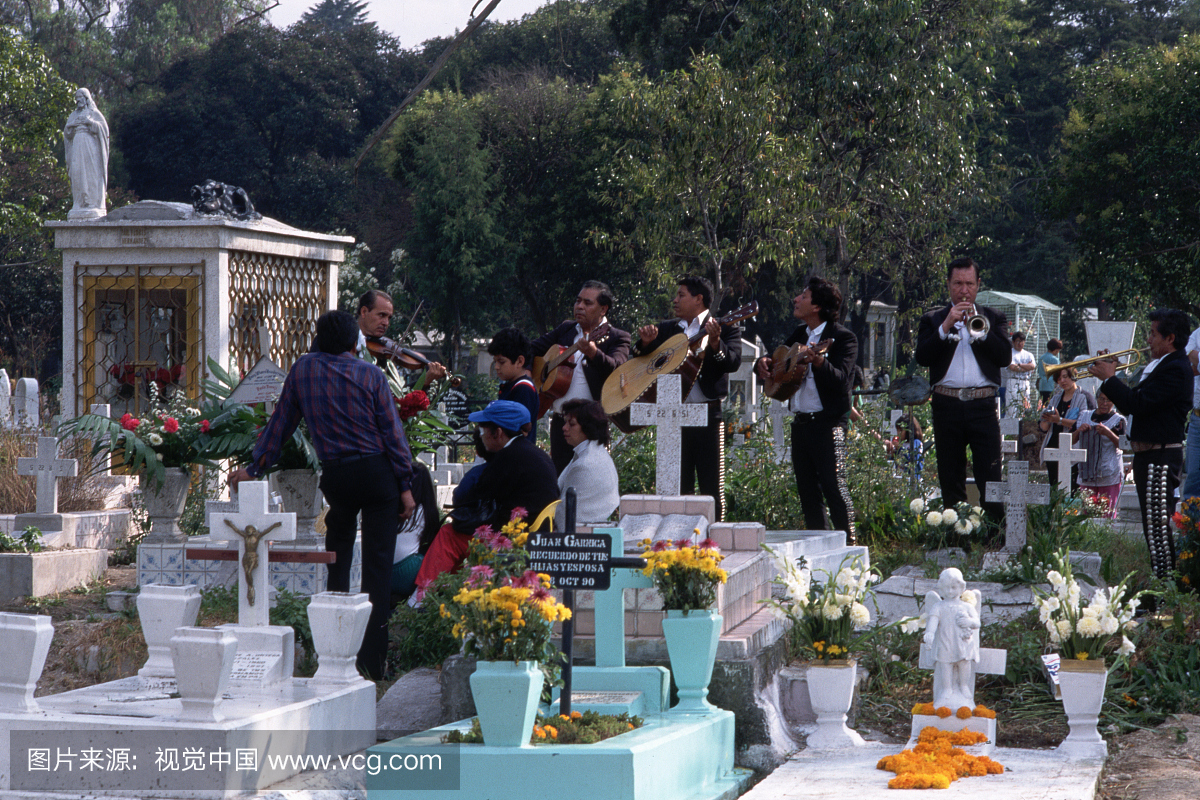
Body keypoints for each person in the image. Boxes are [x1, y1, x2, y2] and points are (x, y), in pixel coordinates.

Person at [229, 310, 415, 680]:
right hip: (378, 475)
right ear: (352, 342)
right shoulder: (371, 375)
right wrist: (406, 487)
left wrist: (254, 468)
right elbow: (393, 435)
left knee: (338, 562)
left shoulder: (303, 370)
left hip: (338, 476)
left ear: (318, 338)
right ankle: (371, 665)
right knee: (377, 571)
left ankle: (333, 655)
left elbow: (281, 423)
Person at [1092, 309, 1194, 576]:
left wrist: (1110, 379)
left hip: (1159, 458)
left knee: (1158, 532)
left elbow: (1137, 404)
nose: (1148, 340)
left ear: (1170, 338)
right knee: (1153, 531)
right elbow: (1134, 398)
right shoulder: (1162, 366)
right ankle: (1160, 592)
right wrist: (1112, 376)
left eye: (1152, 334)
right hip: (1149, 457)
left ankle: (1164, 596)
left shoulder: (1176, 369)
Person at [413, 400, 559, 586]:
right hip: (536, 536)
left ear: (497, 433)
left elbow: (469, 498)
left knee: (449, 534)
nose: (480, 436)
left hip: (514, 542)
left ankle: (421, 597)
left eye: (482, 430)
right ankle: (447, 591)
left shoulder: (506, 458)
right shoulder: (536, 454)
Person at [755, 276, 857, 540]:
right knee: (808, 491)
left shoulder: (843, 338)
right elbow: (775, 360)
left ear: (817, 306)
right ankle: (818, 548)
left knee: (835, 487)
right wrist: (762, 363)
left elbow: (843, 381)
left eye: (803, 295)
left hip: (830, 424)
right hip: (801, 424)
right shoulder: (800, 335)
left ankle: (851, 548)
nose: (796, 299)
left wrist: (820, 363)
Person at [634, 276, 742, 520]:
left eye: (681, 295)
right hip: (672, 417)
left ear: (698, 299)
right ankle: (676, 536)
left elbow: (732, 362)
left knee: (711, 485)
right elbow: (639, 358)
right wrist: (646, 343)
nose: (675, 300)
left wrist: (715, 342)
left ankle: (712, 540)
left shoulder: (725, 328)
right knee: (677, 485)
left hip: (707, 415)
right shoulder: (667, 329)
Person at [915, 257, 1012, 516]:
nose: (964, 290)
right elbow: (922, 357)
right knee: (950, 473)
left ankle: (995, 535)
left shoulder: (994, 317)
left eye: (969, 283)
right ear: (948, 285)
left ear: (978, 285)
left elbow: (1004, 358)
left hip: (983, 404)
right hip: (946, 404)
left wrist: (979, 330)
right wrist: (946, 326)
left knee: (990, 474)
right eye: (958, 283)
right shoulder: (932, 319)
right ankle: (956, 537)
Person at [530, 281, 631, 474]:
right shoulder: (566, 329)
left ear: (603, 309)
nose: (580, 306)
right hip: (561, 421)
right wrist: (529, 372)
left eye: (587, 302)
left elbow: (617, 368)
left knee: (590, 477)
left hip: (591, 424)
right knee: (560, 480)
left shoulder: (617, 337)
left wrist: (594, 354)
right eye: (578, 301)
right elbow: (532, 349)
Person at [355, 290, 447, 384]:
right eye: (381, 315)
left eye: (389, 318)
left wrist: (425, 382)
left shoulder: (383, 355)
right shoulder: (346, 342)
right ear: (364, 312)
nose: (386, 323)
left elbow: (396, 396)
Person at [555, 399, 620, 529]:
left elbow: (565, 517)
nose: (564, 427)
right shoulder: (593, 452)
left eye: (571, 424)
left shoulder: (586, 464)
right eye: (565, 422)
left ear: (587, 427)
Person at [924, 568, 982, 711]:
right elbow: (932, 621)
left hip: (962, 643)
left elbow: (977, 622)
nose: (950, 591)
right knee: (945, 665)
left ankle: (963, 685)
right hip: (945, 642)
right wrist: (930, 633)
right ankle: (947, 689)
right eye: (946, 588)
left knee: (964, 664)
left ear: (962, 587)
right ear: (941, 589)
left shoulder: (967, 606)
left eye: (953, 587)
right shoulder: (938, 606)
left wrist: (969, 622)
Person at [1038, 366, 1096, 493]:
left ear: (1073, 377)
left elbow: (1084, 422)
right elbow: (1043, 428)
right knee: (1054, 488)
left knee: (1072, 489)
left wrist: (1059, 420)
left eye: (1065, 377)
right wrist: (1046, 419)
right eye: (1059, 379)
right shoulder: (1055, 398)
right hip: (1053, 447)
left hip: (1073, 448)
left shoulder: (1084, 397)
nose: (1062, 381)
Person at [391, 463, 441, 600]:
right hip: (407, 573)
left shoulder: (393, 508)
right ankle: (419, 600)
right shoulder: (425, 511)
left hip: (385, 572)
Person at [1074, 390, 1127, 518]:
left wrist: (1108, 433)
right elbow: (1071, 440)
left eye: (1108, 400)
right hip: (1087, 471)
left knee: (1107, 513)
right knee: (1086, 513)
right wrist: (1079, 431)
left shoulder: (1119, 420)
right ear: (1096, 399)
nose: (1104, 403)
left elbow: (1124, 445)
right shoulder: (1084, 416)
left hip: (1109, 472)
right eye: (1101, 399)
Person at [63, 88, 109, 220]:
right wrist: (72, 125)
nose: (78, 100)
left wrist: (90, 122)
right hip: (77, 146)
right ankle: (79, 203)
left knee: (91, 173)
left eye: (80, 97)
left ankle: (92, 202)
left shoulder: (94, 113)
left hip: (90, 147)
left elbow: (103, 130)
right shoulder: (73, 115)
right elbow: (67, 133)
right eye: (76, 97)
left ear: (86, 98)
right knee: (77, 172)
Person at [488, 327, 540, 442]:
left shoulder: (523, 389)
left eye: (501, 362)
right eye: (495, 361)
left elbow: (517, 431)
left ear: (520, 361)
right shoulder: (511, 385)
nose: (496, 366)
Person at [1181, 325, 1200, 502]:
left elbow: (1193, 358)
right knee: (1193, 474)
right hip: (1196, 417)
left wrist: (1197, 357)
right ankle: (1190, 524)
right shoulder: (1197, 333)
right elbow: (1185, 356)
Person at [1004, 332, 1036, 416]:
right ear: (1013, 342)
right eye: (1018, 341)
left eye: (1022, 341)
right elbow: (1012, 367)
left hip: (1025, 381)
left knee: (1025, 407)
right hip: (1013, 381)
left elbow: (1032, 366)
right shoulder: (1009, 353)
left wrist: (1019, 365)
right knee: (1012, 408)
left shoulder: (1029, 354)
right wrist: (1026, 367)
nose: (1020, 343)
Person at [1038, 338, 1063, 405]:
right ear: (1056, 349)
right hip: (1051, 386)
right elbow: (1058, 373)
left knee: (1044, 406)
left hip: (1042, 385)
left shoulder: (1041, 357)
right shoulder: (1055, 359)